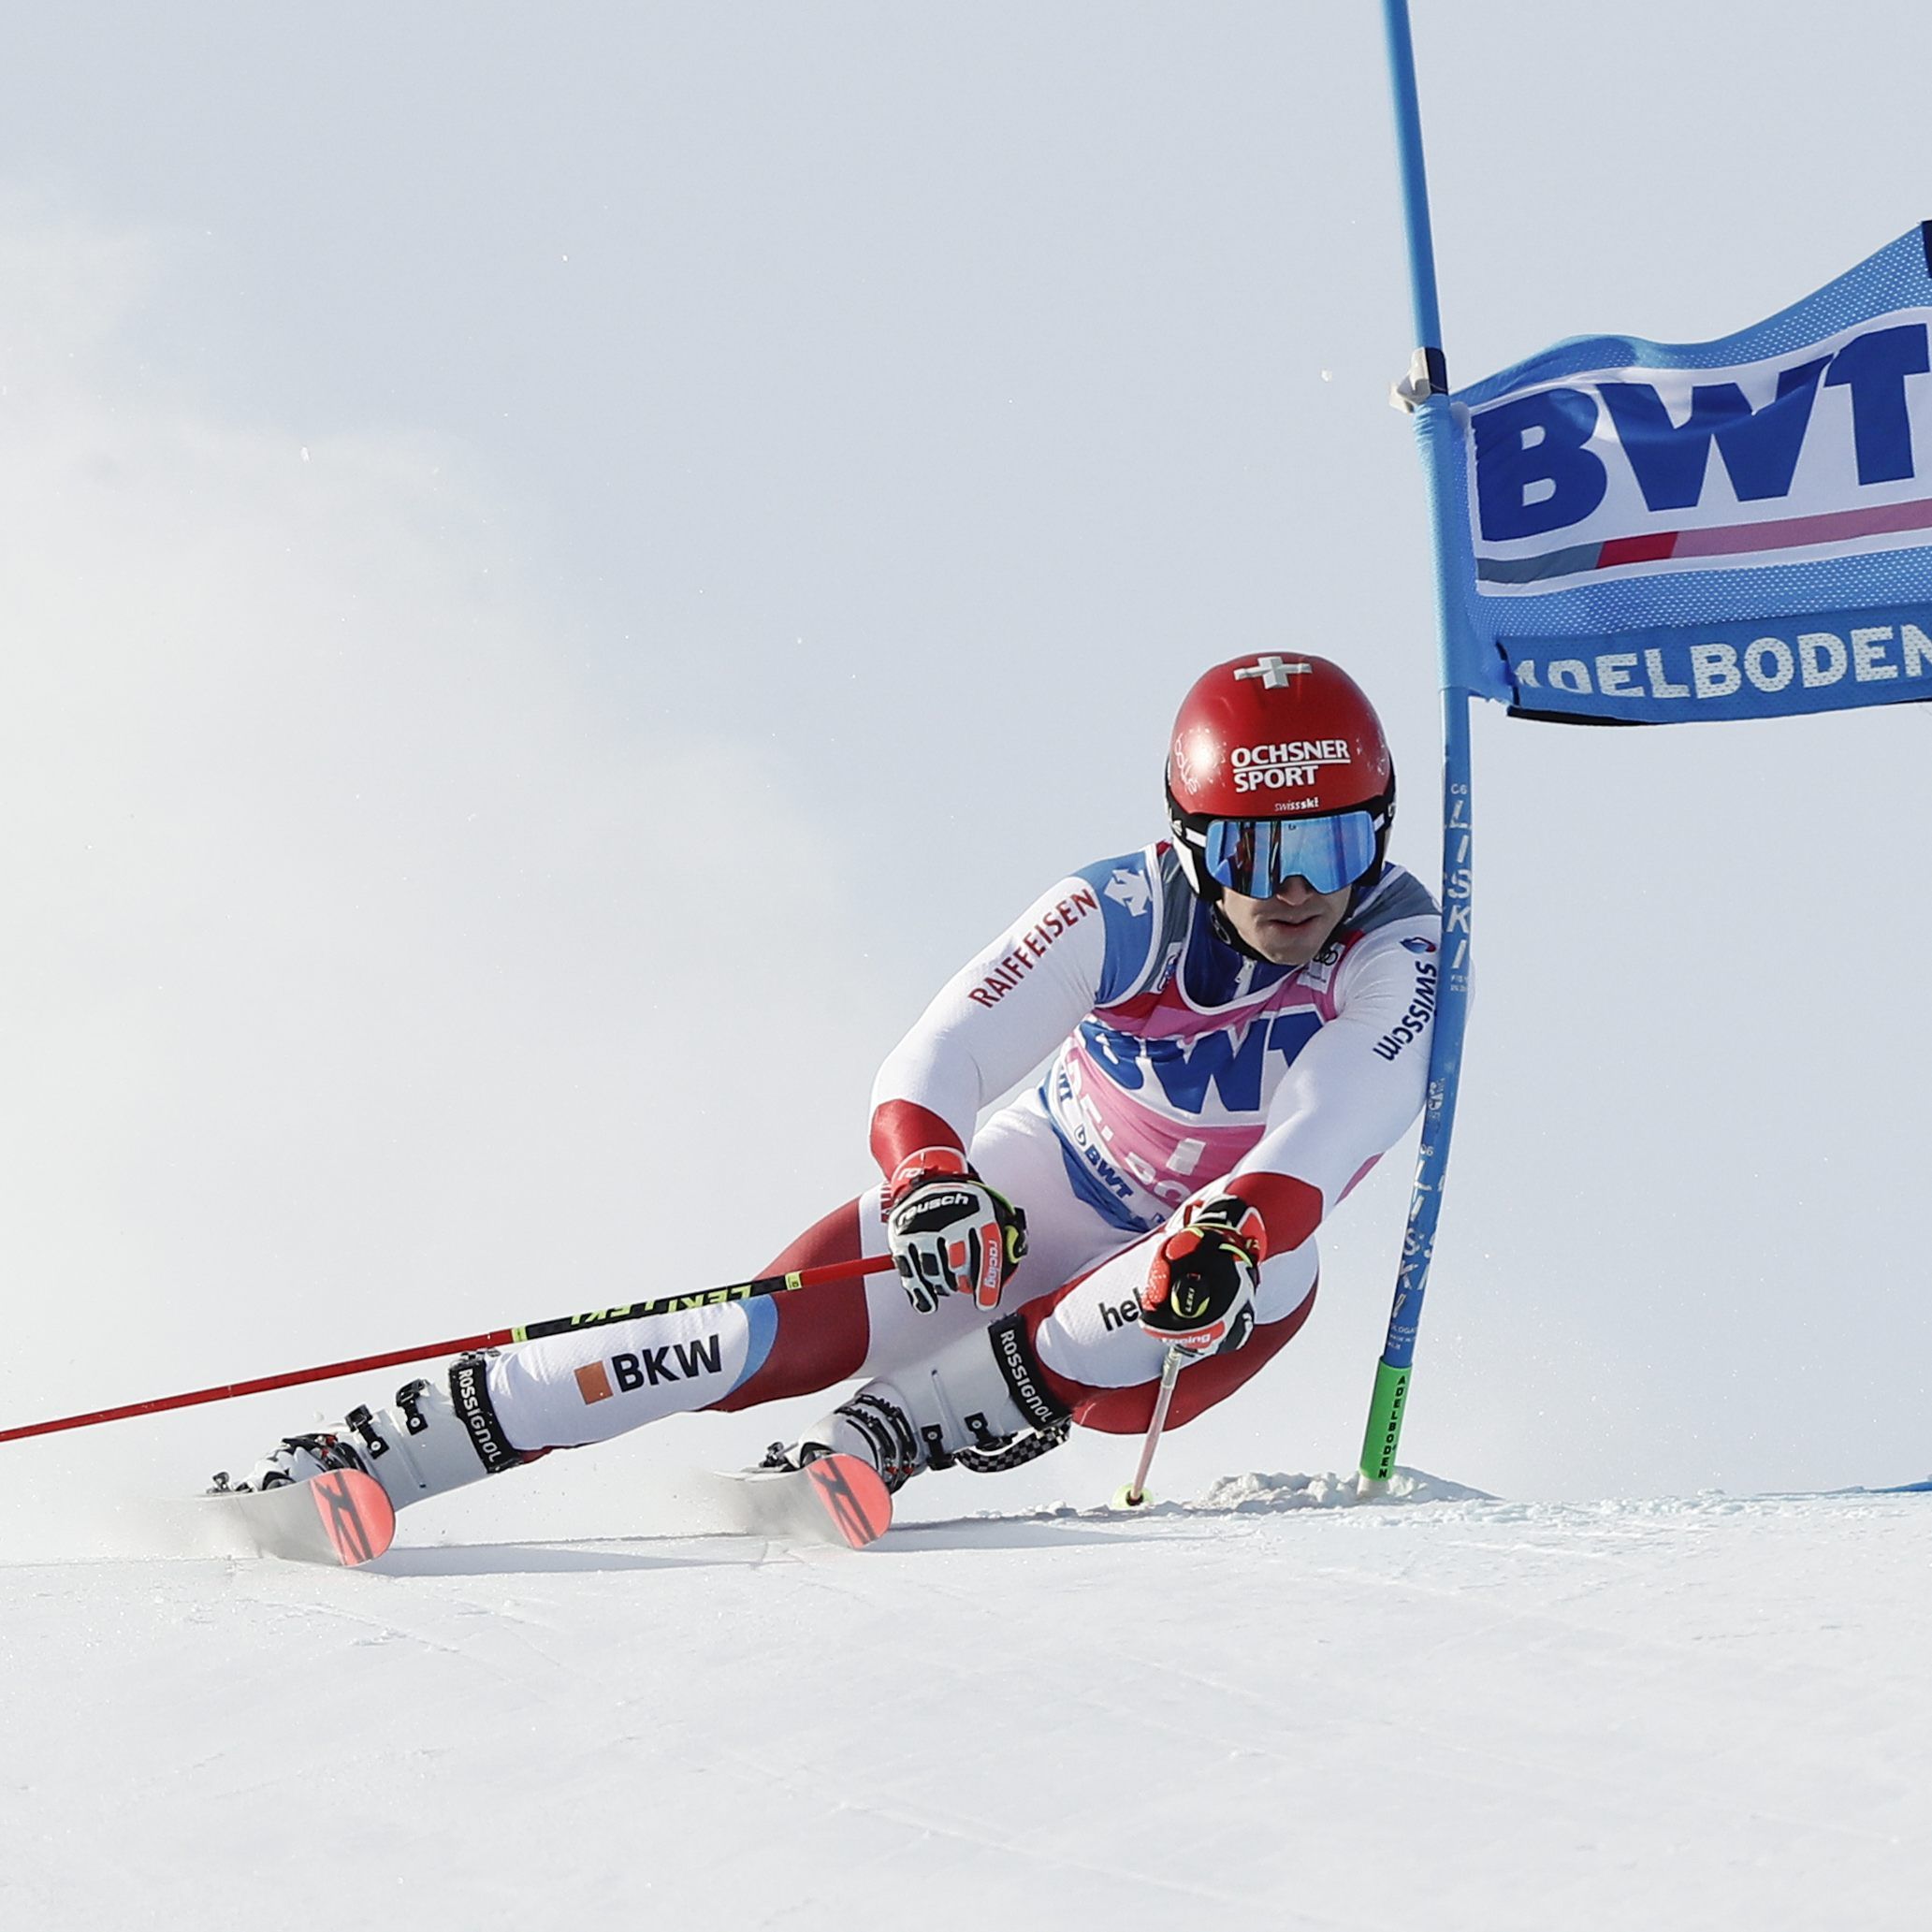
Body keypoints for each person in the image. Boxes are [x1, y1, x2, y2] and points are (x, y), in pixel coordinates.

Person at [234, 652, 1441, 1510]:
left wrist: (1230, 1228)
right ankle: (393, 1448)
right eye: (1257, 847)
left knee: (1242, 1259)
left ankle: (897, 1430)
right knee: (751, 1337)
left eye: (1333, 843)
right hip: (1055, 1177)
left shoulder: (1403, 947)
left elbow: (1331, 1129)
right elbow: (939, 1054)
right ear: (1189, 837)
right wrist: (931, 1179)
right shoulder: (1120, 907)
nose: (1297, 889)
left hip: (1219, 1269)